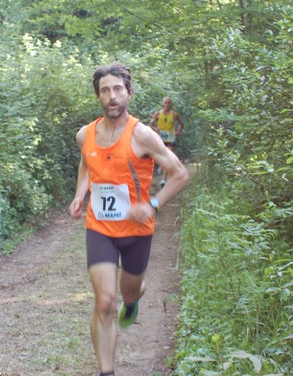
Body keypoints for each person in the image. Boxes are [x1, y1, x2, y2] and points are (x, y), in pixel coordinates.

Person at [68, 63, 189, 376]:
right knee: (106, 302)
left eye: (118, 89)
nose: (112, 96)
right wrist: (81, 193)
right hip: (100, 228)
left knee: (128, 292)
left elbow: (180, 174)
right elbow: (86, 164)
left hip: (137, 229)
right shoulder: (86, 135)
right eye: (105, 90)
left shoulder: (143, 135)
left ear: (129, 94)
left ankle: (134, 299)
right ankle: (106, 372)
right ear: (98, 97)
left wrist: (153, 204)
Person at [149, 97, 184, 188]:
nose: (167, 105)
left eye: (168, 103)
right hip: (159, 140)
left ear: (171, 104)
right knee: (157, 158)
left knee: (167, 158)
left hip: (170, 140)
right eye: (165, 103)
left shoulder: (174, 115)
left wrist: (178, 131)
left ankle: (163, 179)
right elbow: (151, 124)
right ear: (163, 103)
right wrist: (156, 129)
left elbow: (181, 124)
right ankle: (159, 167)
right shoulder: (157, 114)